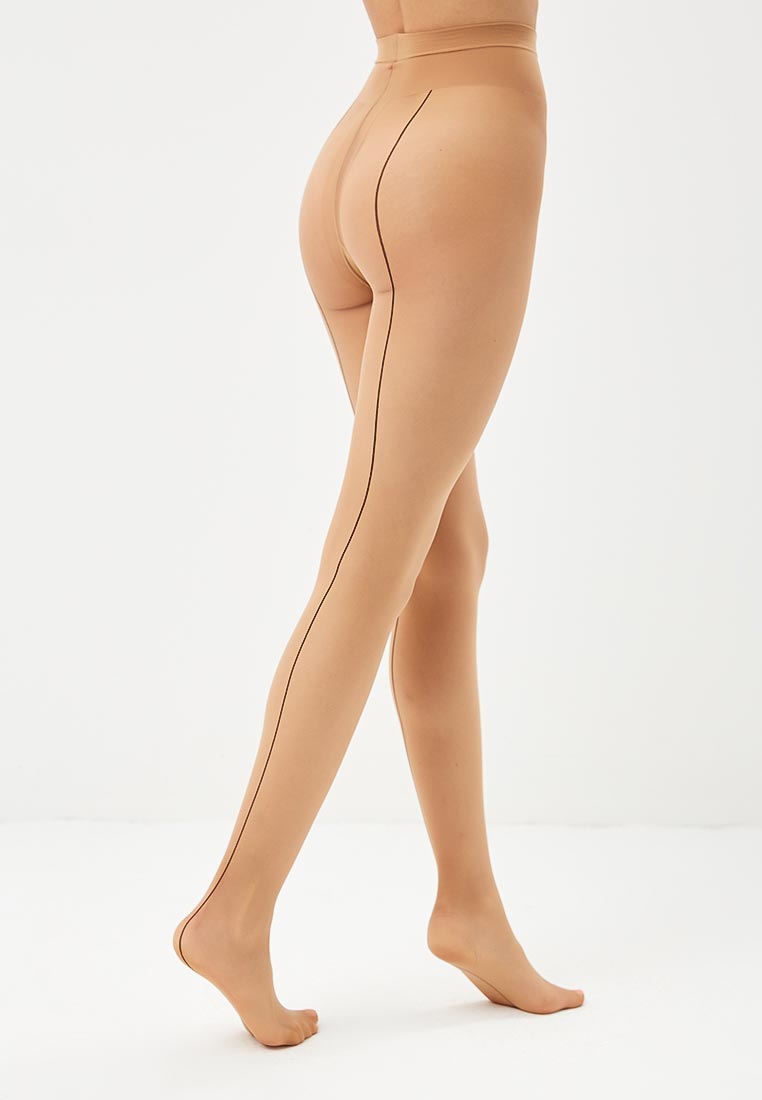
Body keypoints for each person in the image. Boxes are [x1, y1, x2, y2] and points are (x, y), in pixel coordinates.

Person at [173, 0, 584, 1047]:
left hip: (369, 134)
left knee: (447, 551)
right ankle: (233, 912)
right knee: (373, 550)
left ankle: (469, 906)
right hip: (465, 144)